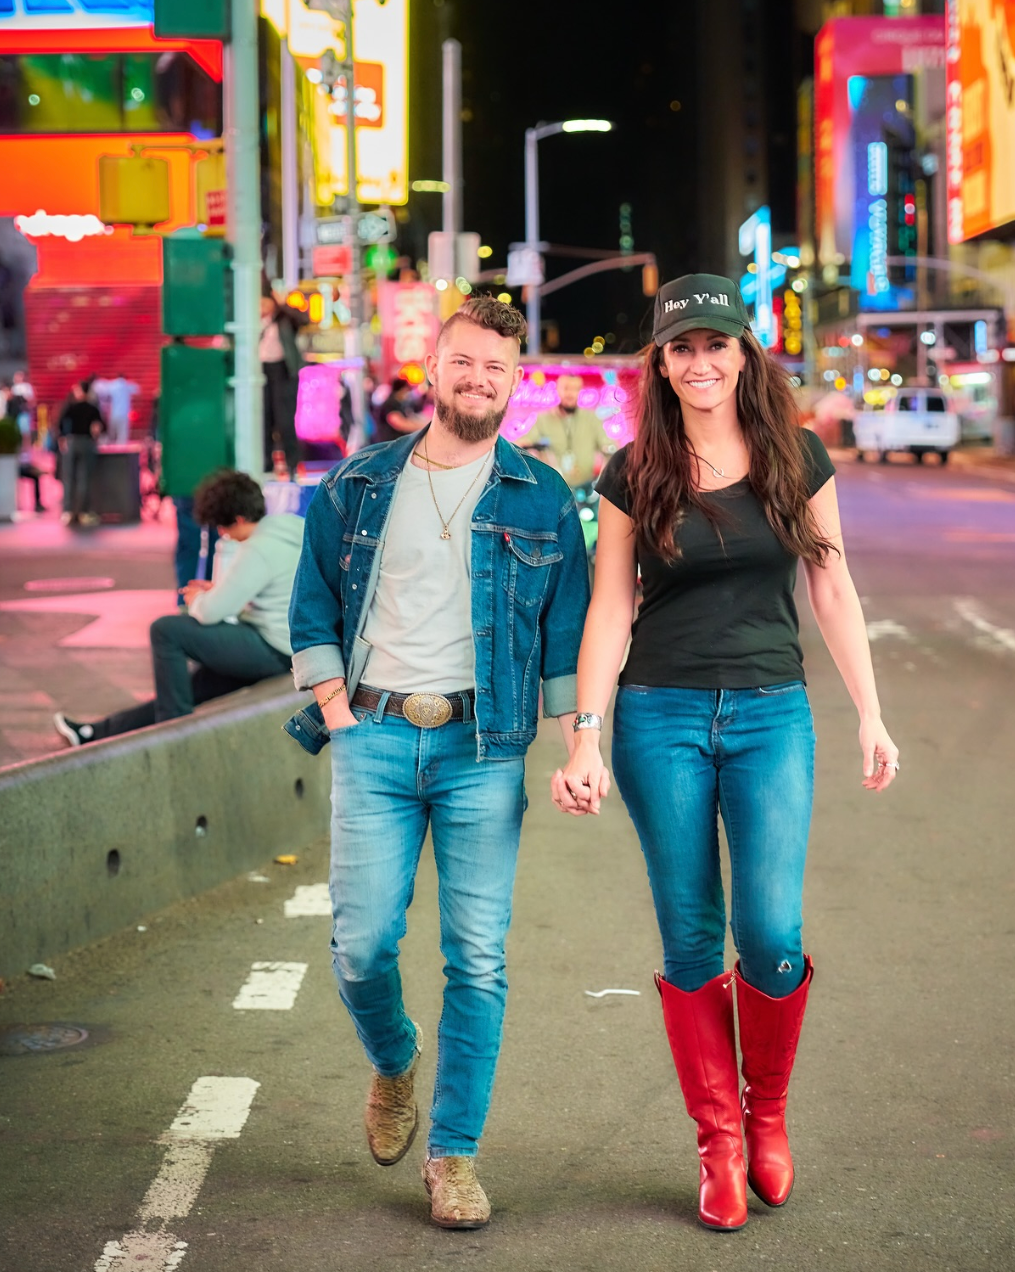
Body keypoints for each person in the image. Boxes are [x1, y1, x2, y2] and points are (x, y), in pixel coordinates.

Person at [554, 274, 900, 1232]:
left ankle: (769, 1116)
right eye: (681, 349)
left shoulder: (797, 457)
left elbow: (832, 591)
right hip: (658, 719)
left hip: (770, 716)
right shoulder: (633, 472)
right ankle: (719, 1145)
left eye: (716, 345)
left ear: (745, 353)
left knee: (773, 936)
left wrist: (871, 714)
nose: (699, 362)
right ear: (660, 366)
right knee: (691, 939)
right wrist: (585, 736)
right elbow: (610, 607)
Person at [285, 295, 588, 1230]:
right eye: (463, 361)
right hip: (373, 738)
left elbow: (568, 633)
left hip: (482, 748)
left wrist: (581, 742)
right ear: (434, 368)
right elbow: (311, 608)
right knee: (362, 944)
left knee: (479, 960)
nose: (478, 378)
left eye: (496, 366)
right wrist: (336, 712)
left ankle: (454, 1156)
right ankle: (393, 1057)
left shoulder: (542, 496)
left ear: (514, 379)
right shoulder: (358, 484)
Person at [53, 469, 302, 746]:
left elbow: (209, 613)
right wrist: (219, 593)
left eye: (224, 527)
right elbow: (271, 590)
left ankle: (175, 737)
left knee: (166, 630)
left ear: (239, 519)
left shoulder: (257, 548)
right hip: (288, 648)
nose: (224, 535)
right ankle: (94, 733)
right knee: (186, 688)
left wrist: (196, 598)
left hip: (275, 651)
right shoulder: (288, 529)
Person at [518, 373, 615, 487]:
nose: (570, 393)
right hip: (553, 486)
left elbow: (608, 445)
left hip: (586, 488)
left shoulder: (592, 418)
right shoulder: (543, 419)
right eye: (566, 388)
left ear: (580, 391)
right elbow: (526, 442)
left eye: (575, 389)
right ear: (558, 390)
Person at [261, 289, 304, 476]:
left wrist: (281, 305)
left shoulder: (284, 320)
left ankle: (292, 463)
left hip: (283, 371)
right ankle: (265, 463)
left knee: (285, 420)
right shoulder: (253, 322)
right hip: (261, 372)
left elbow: (302, 320)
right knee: (264, 418)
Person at [57, 381, 104, 527]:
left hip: (71, 442)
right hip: (86, 443)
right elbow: (99, 427)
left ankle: (68, 511)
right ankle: (83, 512)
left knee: (69, 477)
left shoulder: (70, 406)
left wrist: (62, 438)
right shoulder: (93, 408)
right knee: (84, 478)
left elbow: (60, 424)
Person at [93, 372, 141, 445]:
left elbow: (101, 389)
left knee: (112, 435)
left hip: (114, 414)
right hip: (124, 414)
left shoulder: (112, 385)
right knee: (122, 436)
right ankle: (122, 451)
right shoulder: (127, 385)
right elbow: (137, 389)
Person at [374, 376, 424, 442]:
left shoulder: (399, 403)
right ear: (402, 389)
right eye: (407, 390)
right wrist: (425, 427)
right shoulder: (391, 404)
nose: (408, 393)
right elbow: (400, 424)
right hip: (389, 443)